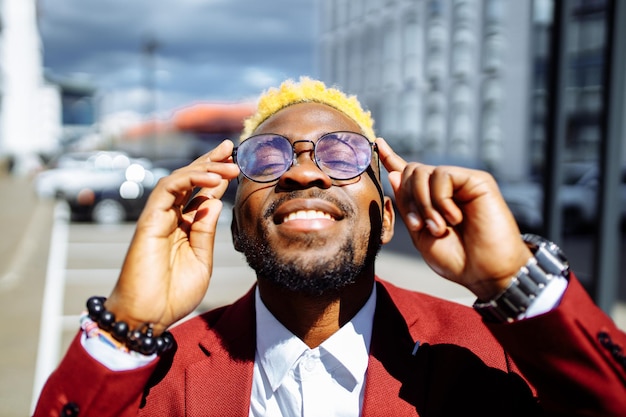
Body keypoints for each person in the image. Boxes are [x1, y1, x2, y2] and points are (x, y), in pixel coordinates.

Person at [34, 77, 625, 417]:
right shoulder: (158, 378)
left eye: (342, 155)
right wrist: (127, 323)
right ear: (235, 224)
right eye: (266, 158)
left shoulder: (488, 358)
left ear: (387, 216)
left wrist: (516, 283)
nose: (303, 173)